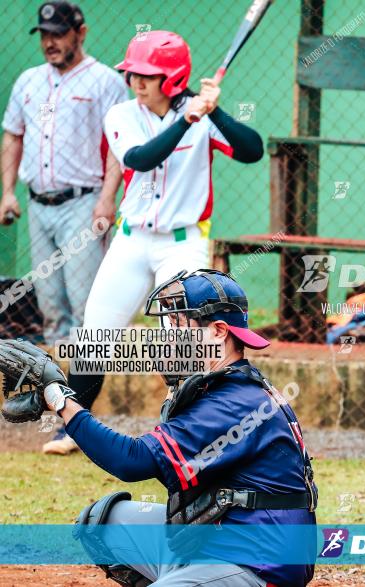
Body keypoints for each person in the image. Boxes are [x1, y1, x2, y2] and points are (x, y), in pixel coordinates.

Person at [0, 270, 317, 586]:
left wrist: (59, 399)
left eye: (180, 322)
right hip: (225, 542)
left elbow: (131, 460)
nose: (169, 334)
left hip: (261, 567)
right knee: (103, 524)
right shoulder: (228, 386)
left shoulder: (233, 402)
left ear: (219, 331)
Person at [47, 29, 264, 455]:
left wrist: (214, 112)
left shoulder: (202, 118)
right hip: (131, 240)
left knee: (182, 340)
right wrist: (188, 117)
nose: (136, 82)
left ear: (174, 79)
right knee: (95, 335)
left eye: (147, 75)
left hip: (182, 245)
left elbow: (252, 149)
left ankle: (186, 432)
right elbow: (141, 159)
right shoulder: (122, 115)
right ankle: (72, 429)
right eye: (133, 74)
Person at [0, 2, 125, 349]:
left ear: (80, 33)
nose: (50, 42)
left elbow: (118, 144)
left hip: (83, 203)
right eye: (44, 34)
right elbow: (12, 134)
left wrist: (106, 199)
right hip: (37, 205)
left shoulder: (105, 81)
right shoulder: (29, 80)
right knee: (50, 307)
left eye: (58, 34)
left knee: (86, 305)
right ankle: (59, 394)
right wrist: (7, 192)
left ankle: (87, 392)